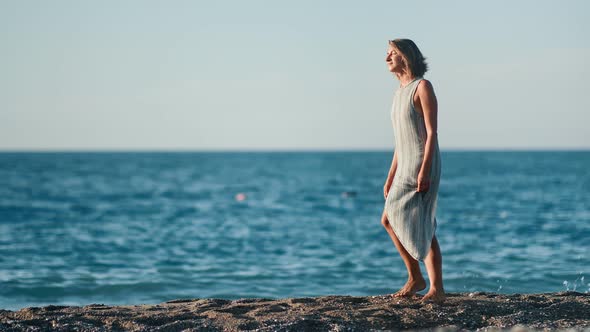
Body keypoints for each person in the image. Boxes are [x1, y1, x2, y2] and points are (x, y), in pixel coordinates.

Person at [381, 39, 445, 303]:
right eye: (387, 54)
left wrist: (425, 170)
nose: (387, 58)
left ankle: (435, 288)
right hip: (404, 165)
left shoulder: (422, 87)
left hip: (422, 163)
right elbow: (401, 140)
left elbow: (431, 133)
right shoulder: (399, 93)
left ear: (406, 57)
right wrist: (390, 175)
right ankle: (416, 277)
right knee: (389, 219)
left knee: (423, 225)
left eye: (392, 53)